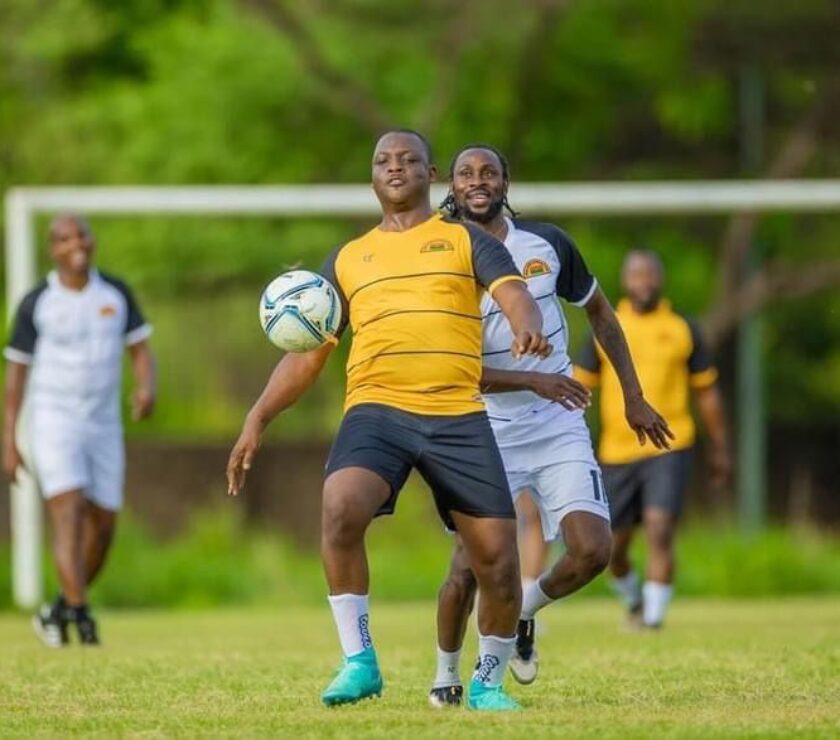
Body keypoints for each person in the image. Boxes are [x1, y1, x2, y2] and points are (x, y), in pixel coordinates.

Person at [226, 130, 551, 711]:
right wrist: (257, 417)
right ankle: (360, 661)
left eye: (408, 160)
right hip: (377, 410)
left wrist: (526, 322)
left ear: (431, 175)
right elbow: (309, 353)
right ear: (372, 177)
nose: (395, 167)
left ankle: (487, 684)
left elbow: (515, 296)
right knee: (340, 507)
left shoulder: (465, 240)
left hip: (457, 414)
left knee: (499, 563)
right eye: (383, 160)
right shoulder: (349, 258)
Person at [430, 144, 673, 705]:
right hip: (482, 427)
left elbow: (601, 314)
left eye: (488, 171)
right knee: (469, 568)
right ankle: (446, 674)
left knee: (593, 550)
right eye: (466, 173)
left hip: (557, 422)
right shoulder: (441, 258)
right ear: (452, 186)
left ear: (506, 181)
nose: (478, 180)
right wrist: (533, 380)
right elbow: (453, 365)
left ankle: (524, 613)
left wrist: (634, 396)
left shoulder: (548, 244)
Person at [3, 214, 156, 647]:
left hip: (103, 423)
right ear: (52, 248)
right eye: (65, 238)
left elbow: (141, 351)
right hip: (53, 418)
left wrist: (146, 388)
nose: (77, 243)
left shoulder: (115, 293)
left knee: (103, 527)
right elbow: (15, 376)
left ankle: (59, 609)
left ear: (93, 239)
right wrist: (8, 439)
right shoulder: (38, 302)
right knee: (67, 513)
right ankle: (84, 622)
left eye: (82, 234)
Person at [575, 249, 730, 629]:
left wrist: (721, 448)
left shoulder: (682, 328)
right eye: (636, 275)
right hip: (616, 451)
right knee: (613, 547)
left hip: (670, 444)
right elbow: (579, 390)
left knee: (660, 528)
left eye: (650, 275)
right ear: (625, 281)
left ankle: (653, 621)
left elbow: (706, 392)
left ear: (660, 280)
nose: (643, 282)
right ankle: (634, 600)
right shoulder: (605, 326)